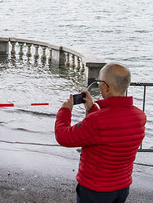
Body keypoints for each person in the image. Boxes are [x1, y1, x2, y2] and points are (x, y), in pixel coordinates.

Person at [54, 63, 146, 203]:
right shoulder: (139, 116)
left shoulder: (97, 121)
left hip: (95, 190)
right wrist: (92, 109)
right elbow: (111, 131)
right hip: (122, 187)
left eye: (98, 82)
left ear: (105, 86)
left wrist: (65, 111)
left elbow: (63, 136)